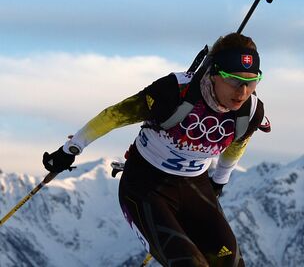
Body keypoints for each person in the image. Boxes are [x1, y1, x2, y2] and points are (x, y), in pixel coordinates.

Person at [42, 32, 270, 267]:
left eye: (251, 81)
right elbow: (114, 116)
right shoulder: (174, 92)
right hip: (145, 187)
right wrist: (70, 149)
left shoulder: (250, 112)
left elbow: (238, 142)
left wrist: (219, 181)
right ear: (213, 73)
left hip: (195, 187)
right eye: (233, 80)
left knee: (230, 262)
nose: (242, 91)